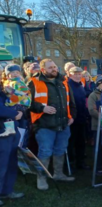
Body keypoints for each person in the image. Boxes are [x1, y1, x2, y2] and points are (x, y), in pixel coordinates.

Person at [28, 59, 77, 190]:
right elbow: (26, 103)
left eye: (55, 67)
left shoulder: (63, 82)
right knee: (45, 152)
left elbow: (71, 102)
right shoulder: (34, 82)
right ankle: (42, 178)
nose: (54, 69)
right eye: (50, 68)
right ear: (43, 70)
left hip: (63, 124)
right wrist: (42, 108)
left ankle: (58, 174)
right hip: (44, 125)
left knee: (60, 150)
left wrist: (72, 116)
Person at [0, 82, 23, 205]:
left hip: (11, 130)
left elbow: (12, 102)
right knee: (1, 163)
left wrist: (9, 94)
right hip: (1, 132)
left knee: (10, 162)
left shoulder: (2, 89)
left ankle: (6, 190)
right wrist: (15, 114)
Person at [67, 67, 90, 170]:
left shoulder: (81, 85)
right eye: (75, 74)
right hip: (72, 119)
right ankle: (71, 164)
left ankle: (81, 162)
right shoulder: (68, 85)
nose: (77, 75)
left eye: (79, 74)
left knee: (81, 142)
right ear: (70, 75)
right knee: (71, 143)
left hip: (81, 118)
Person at [3, 64, 31, 147]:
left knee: (18, 124)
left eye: (17, 72)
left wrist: (8, 103)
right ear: (8, 74)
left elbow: (20, 95)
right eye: (12, 72)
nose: (15, 74)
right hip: (17, 105)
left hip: (19, 105)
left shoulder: (18, 83)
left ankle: (19, 143)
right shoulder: (8, 83)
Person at [88, 75, 102, 175]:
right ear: (99, 84)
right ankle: (98, 167)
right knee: (99, 148)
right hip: (98, 126)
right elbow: (91, 110)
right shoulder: (93, 95)